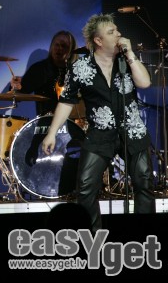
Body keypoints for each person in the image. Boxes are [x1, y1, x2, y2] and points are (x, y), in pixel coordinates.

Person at [41, 13, 156, 231]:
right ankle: (92, 239)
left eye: (117, 30)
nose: (118, 34)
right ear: (98, 40)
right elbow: (66, 102)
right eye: (112, 32)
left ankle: (144, 237)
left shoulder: (126, 61)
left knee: (144, 184)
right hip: (100, 133)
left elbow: (144, 83)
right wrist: (52, 133)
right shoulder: (80, 68)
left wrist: (131, 54)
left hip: (132, 131)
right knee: (85, 187)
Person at [10, 30, 79, 116]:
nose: (59, 48)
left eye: (63, 46)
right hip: (46, 121)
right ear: (52, 47)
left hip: (74, 121)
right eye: (57, 45)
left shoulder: (78, 71)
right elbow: (19, 95)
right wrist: (15, 87)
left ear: (71, 50)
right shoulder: (40, 69)